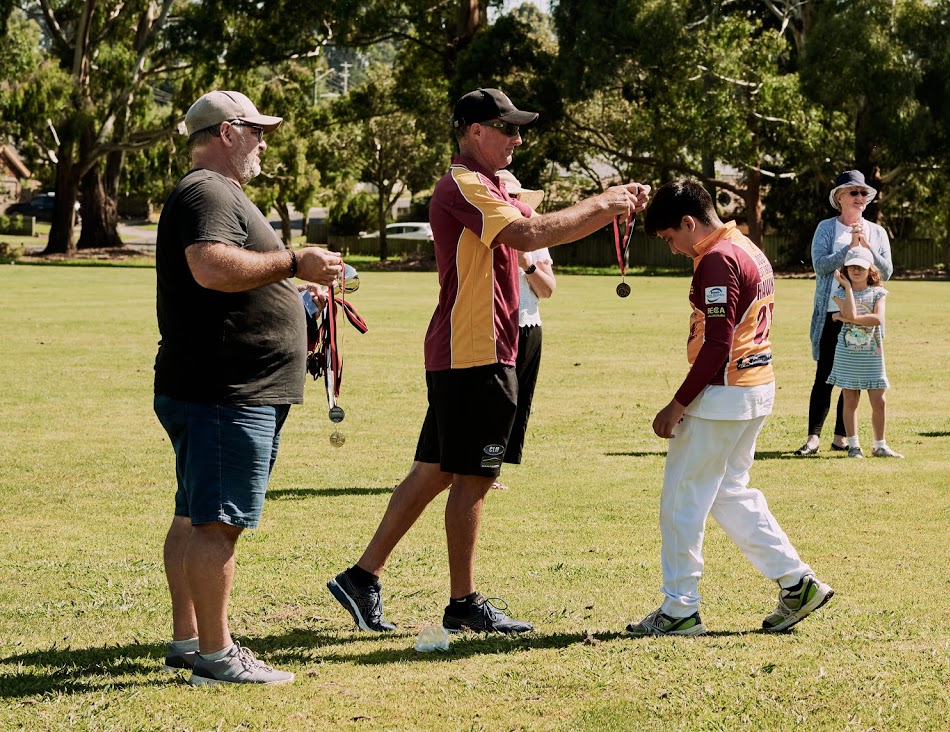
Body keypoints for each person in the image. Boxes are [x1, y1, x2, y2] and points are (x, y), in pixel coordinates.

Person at [327, 87, 649, 635]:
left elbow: (545, 226)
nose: (518, 139)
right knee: (473, 476)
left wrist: (609, 205)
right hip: (474, 350)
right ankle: (463, 603)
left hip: (477, 347)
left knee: (437, 468)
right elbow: (529, 232)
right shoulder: (463, 186)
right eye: (508, 128)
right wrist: (604, 203)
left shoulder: (494, 185)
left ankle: (361, 577)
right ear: (475, 130)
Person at [155, 90, 344, 685]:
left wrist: (294, 295)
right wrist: (294, 265)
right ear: (227, 131)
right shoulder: (207, 190)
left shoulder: (218, 193)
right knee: (217, 522)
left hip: (220, 386)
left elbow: (232, 274)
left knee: (194, 515)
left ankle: (190, 641)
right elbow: (211, 265)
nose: (264, 141)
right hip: (225, 389)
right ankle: (216, 655)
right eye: (257, 130)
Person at [626, 180, 834, 637]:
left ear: (688, 222)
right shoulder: (745, 247)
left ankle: (680, 608)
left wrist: (675, 404)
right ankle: (796, 582)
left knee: (683, 500)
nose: (674, 249)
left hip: (723, 394)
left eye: (669, 238)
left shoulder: (718, 258)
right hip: (755, 388)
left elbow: (718, 342)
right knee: (728, 493)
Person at [794, 170, 893, 457]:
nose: (861, 197)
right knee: (824, 374)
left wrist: (867, 248)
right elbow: (820, 266)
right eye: (854, 192)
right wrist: (848, 249)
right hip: (832, 313)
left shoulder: (877, 232)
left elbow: (887, 272)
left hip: (864, 318)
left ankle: (841, 437)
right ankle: (813, 438)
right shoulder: (826, 228)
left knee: (853, 377)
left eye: (864, 193)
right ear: (839, 197)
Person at [492, 170, 555, 488]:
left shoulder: (534, 236)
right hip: (490, 328)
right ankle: (474, 469)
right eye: (508, 196)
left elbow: (547, 289)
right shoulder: (485, 230)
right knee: (492, 402)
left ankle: (492, 470)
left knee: (515, 403)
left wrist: (526, 263)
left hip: (527, 327)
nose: (513, 202)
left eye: (516, 198)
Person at [827, 248, 903, 458]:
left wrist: (845, 319)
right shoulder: (840, 293)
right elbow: (851, 311)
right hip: (848, 355)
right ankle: (853, 446)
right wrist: (848, 289)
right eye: (852, 266)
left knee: (879, 400)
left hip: (872, 354)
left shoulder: (879, 292)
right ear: (846, 270)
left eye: (861, 266)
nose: (856, 270)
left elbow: (877, 319)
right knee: (850, 399)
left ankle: (879, 445)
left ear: (870, 268)